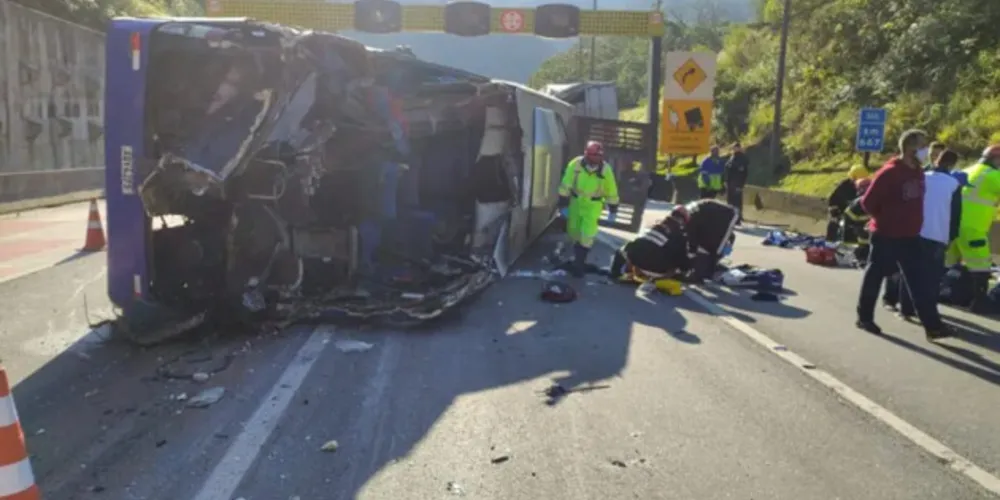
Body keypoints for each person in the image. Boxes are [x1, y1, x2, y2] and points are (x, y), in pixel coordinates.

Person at [855, 128, 949, 341]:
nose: (926, 150)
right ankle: (864, 317)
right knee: (875, 277)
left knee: (920, 281)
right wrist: (886, 219)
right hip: (887, 236)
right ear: (909, 148)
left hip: (911, 236)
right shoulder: (889, 173)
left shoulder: (917, 171)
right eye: (922, 146)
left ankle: (933, 327)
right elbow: (868, 203)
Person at [887, 149, 963, 320]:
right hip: (937, 234)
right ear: (952, 165)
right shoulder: (953, 184)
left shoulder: (921, 177)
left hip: (913, 231)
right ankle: (928, 311)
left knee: (910, 272)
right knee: (931, 276)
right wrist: (952, 236)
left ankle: (905, 309)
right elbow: (956, 214)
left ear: (936, 160)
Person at [944, 144, 1000, 313]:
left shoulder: (968, 170)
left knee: (946, 265)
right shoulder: (992, 175)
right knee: (981, 267)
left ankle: (941, 295)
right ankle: (979, 303)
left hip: (952, 227)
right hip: (973, 229)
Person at [558, 140, 620, 277]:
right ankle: (577, 259)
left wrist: (613, 208)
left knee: (587, 233)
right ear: (586, 154)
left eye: (599, 155)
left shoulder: (605, 170)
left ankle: (579, 264)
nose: (596, 158)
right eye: (593, 155)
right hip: (576, 202)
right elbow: (566, 183)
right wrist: (562, 203)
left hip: (593, 205)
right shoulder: (576, 165)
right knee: (573, 231)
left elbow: (611, 190)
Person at [608, 206, 691, 281]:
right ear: (684, 221)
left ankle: (614, 273)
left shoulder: (652, 225)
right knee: (678, 262)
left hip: (637, 263)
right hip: (658, 272)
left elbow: (637, 243)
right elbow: (683, 261)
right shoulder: (680, 236)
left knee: (624, 249)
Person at [826, 165, 870, 241]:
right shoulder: (844, 187)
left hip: (862, 220)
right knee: (833, 226)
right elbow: (833, 201)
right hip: (844, 216)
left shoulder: (867, 187)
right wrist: (836, 215)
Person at [843, 177, 873, 264]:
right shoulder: (879, 198)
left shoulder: (858, 202)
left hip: (863, 233)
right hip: (873, 233)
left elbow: (848, 215)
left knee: (864, 247)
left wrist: (854, 226)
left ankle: (862, 258)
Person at [724, 142, 750, 224]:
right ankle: (730, 217)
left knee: (737, 202)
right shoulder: (732, 157)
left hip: (737, 183)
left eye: (736, 147)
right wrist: (726, 181)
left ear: (739, 148)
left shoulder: (742, 158)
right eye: (734, 148)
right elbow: (728, 168)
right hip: (730, 183)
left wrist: (741, 185)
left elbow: (743, 173)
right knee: (730, 201)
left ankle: (737, 218)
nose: (734, 149)